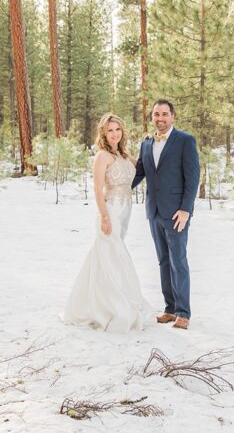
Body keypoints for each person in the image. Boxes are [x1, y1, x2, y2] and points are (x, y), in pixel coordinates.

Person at [62, 114, 147, 332]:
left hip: (126, 210)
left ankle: (95, 300)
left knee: (106, 256)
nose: (114, 133)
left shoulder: (124, 155)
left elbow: (145, 169)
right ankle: (112, 307)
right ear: (104, 133)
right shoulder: (102, 156)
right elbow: (98, 190)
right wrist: (105, 217)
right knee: (112, 256)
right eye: (110, 130)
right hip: (110, 210)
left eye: (117, 129)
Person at [132, 100, 200, 330]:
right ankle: (170, 309)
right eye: (156, 114)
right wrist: (118, 186)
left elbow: (192, 178)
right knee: (163, 261)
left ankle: (183, 312)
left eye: (164, 114)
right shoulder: (146, 144)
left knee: (178, 260)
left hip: (176, 213)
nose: (160, 118)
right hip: (154, 211)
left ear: (172, 116)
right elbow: (139, 173)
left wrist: (186, 209)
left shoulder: (185, 141)